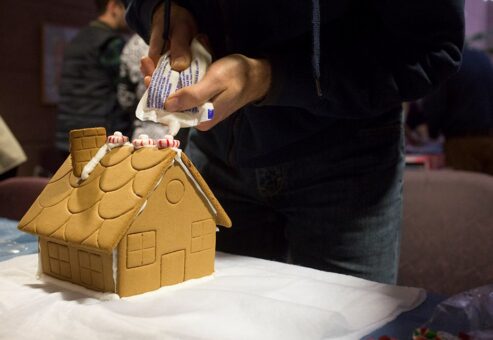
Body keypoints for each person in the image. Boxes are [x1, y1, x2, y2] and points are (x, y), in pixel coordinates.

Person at [125, 0, 464, 284]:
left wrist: (272, 77)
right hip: (217, 155)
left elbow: (431, 49)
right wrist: (161, 10)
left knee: (343, 331)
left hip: (346, 162)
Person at [56, 0, 130, 153]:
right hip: (98, 136)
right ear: (113, 7)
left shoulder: (76, 39)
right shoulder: (110, 43)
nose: (130, 15)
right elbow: (124, 90)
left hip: (67, 135)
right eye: (126, 7)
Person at [423, 46, 493, 175]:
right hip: (489, 139)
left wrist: (432, 132)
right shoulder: (483, 58)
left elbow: (436, 104)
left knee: (466, 192)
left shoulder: (447, 62)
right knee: (488, 192)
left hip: (461, 144)